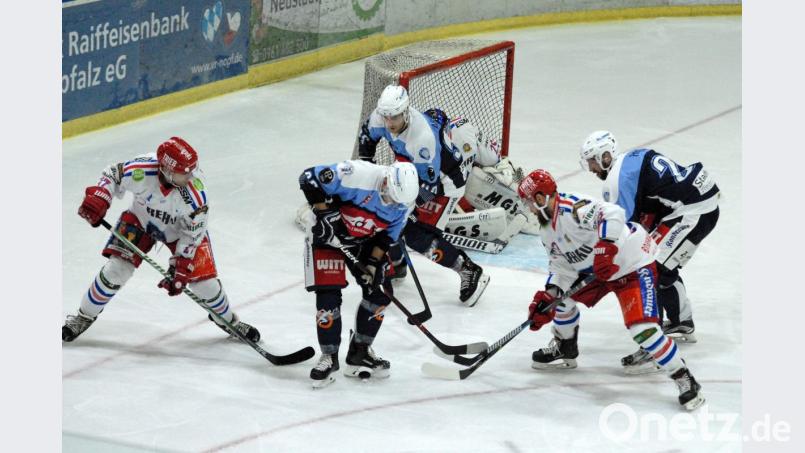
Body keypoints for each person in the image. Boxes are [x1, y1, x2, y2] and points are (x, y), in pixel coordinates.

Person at [517, 169, 704, 410]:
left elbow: (613, 213)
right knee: (560, 302)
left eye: (529, 202)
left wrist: (606, 246)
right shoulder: (546, 230)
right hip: (598, 270)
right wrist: (547, 297)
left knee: (643, 329)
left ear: (541, 198)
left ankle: (683, 377)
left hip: (631, 264)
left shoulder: (573, 208)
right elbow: (561, 267)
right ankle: (565, 347)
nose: (528, 208)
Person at [62, 137, 260, 343]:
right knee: (116, 270)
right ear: (166, 169)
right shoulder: (142, 170)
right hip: (141, 221)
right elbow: (113, 174)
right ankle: (83, 317)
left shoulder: (196, 195)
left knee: (205, 285)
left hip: (182, 233)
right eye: (184, 172)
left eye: (191, 170)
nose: (190, 175)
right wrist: (102, 195)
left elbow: (192, 234)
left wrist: (181, 266)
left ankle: (229, 321)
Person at [579, 130, 720, 367]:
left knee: (652, 268)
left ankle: (655, 346)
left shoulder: (616, 179)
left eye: (593, 161)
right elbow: (652, 203)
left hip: (693, 211)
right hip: (692, 204)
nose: (592, 168)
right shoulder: (631, 158)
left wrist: (603, 256)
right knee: (659, 263)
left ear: (605, 156)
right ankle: (680, 321)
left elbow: (623, 228)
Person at [357, 84, 490, 306]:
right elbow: (366, 137)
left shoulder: (422, 140)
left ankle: (468, 270)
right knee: (385, 215)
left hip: (444, 182)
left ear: (406, 111)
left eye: (395, 117)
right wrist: (365, 172)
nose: (389, 123)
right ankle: (397, 264)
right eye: (386, 116)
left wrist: (400, 211)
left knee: (416, 235)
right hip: (409, 170)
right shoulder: (383, 116)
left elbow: (427, 187)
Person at [299, 159, 419, 388]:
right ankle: (329, 357)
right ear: (386, 180)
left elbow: (387, 237)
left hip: (363, 239)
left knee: (380, 292)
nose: (392, 203)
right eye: (390, 196)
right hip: (326, 236)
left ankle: (359, 353)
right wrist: (325, 216)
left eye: (397, 201)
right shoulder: (357, 174)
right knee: (328, 294)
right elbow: (309, 177)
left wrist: (373, 263)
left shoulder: (404, 204)